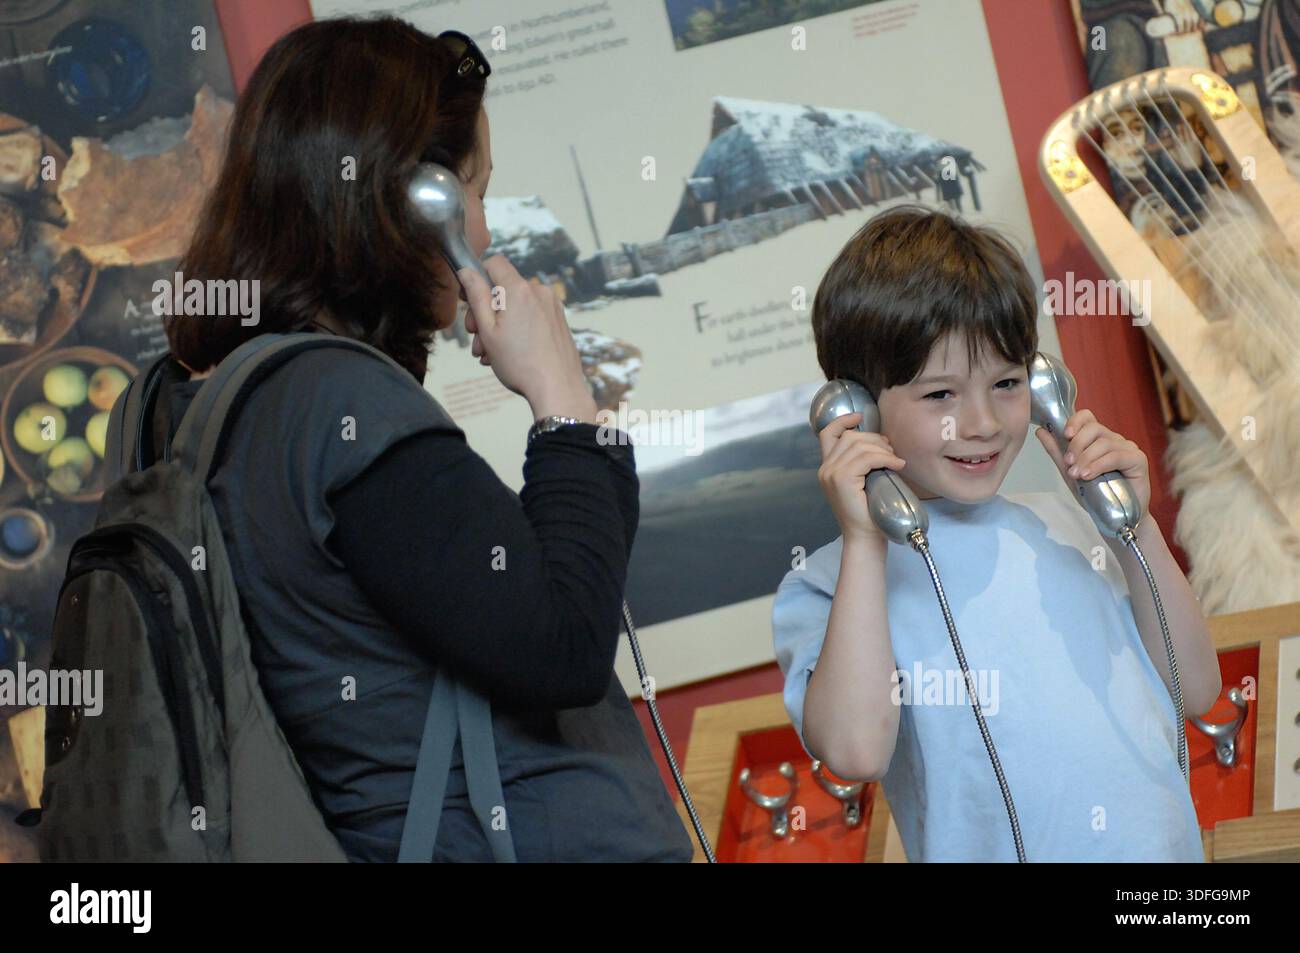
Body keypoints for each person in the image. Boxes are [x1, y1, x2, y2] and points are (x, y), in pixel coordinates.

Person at [161, 15, 692, 862]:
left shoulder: (245, 400)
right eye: (476, 192)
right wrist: (562, 401)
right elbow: (563, 648)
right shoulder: (339, 408)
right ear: (418, 203)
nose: (482, 235)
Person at [771, 205, 1221, 862]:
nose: (980, 421)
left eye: (1007, 383)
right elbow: (857, 750)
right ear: (859, 411)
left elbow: (1198, 686)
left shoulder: (1069, 522)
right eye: (940, 396)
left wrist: (1134, 525)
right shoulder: (830, 585)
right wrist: (867, 542)